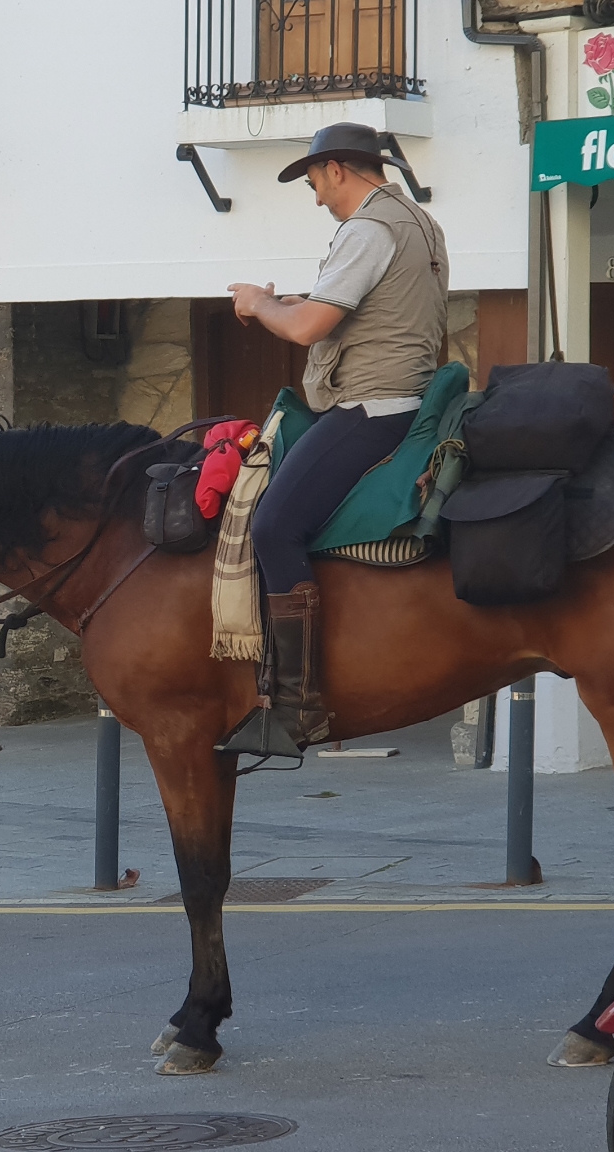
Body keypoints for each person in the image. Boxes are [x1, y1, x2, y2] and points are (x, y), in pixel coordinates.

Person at [218, 123, 450, 756]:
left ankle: (296, 704)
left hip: (372, 408)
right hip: (404, 401)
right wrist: (282, 300)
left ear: (340, 170)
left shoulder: (367, 230)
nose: (317, 196)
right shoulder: (417, 222)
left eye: (316, 180)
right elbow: (349, 308)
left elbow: (306, 329)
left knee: (272, 528)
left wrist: (259, 304)